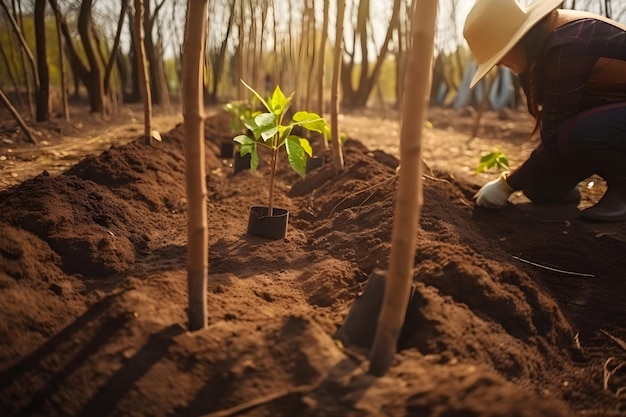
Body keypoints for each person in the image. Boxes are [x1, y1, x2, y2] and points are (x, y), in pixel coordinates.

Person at [463, 0, 626, 221]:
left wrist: (506, 185)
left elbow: (557, 131)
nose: (499, 63)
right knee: (538, 188)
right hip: (609, 120)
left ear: (520, 38)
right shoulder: (536, 58)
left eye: (499, 52)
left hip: (605, 124)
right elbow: (552, 131)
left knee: (575, 133)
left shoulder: (569, 42)